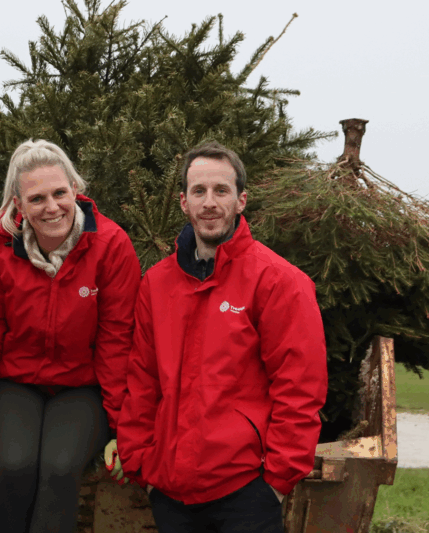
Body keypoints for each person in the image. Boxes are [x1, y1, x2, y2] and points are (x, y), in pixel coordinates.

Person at [115, 141, 328, 533]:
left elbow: (299, 389)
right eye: (199, 191)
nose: (209, 202)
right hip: (169, 491)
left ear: (241, 200)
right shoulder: (156, 284)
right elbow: (141, 381)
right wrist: (140, 462)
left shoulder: (280, 282)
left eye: (221, 191)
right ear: (184, 202)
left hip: (247, 492)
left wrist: (276, 483)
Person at [0, 139, 141, 533]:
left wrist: (124, 428)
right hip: (15, 380)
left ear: (75, 190)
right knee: (13, 464)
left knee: (60, 468)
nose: (52, 207)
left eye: (60, 193)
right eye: (37, 198)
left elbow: (116, 340)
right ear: (18, 205)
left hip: (82, 385)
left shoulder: (110, 246)